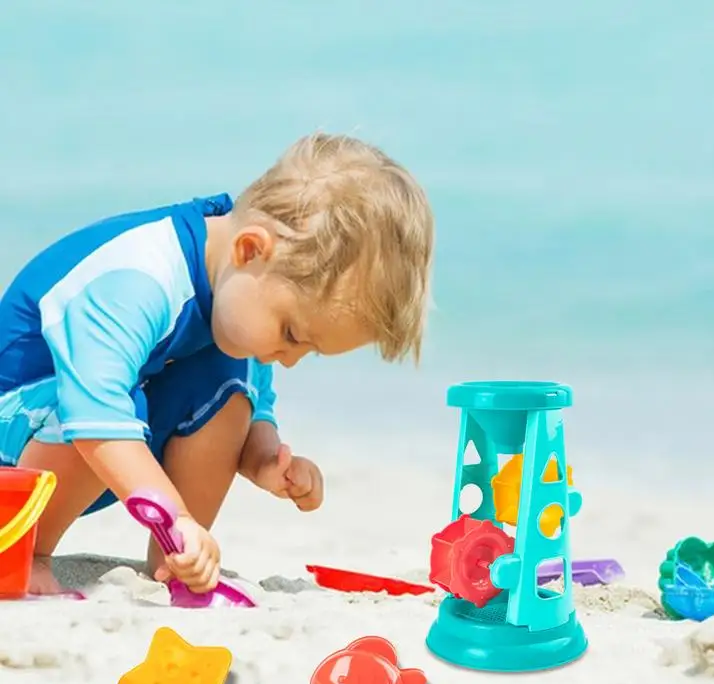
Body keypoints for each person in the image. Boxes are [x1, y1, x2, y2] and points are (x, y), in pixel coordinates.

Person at [0, 132, 434, 595]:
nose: (289, 361)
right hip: (20, 443)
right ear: (250, 250)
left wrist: (266, 459)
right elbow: (94, 411)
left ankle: (174, 563)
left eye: (309, 351)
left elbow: (253, 405)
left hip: (86, 450)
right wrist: (174, 512)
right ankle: (27, 550)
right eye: (292, 334)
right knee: (103, 401)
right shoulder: (141, 276)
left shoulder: (241, 297)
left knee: (228, 392)